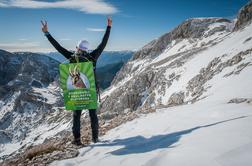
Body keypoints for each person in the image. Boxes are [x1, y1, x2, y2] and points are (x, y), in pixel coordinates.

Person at [41, 17, 112, 145]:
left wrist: (47, 33)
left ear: (77, 48)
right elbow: (103, 43)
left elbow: (58, 47)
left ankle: (77, 140)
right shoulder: (93, 56)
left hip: (76, 92)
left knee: (76, 116)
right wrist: (109, 27)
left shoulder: (72, 57)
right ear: (87, 49)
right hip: (90, 91)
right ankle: (95, 138)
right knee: (93, 115)